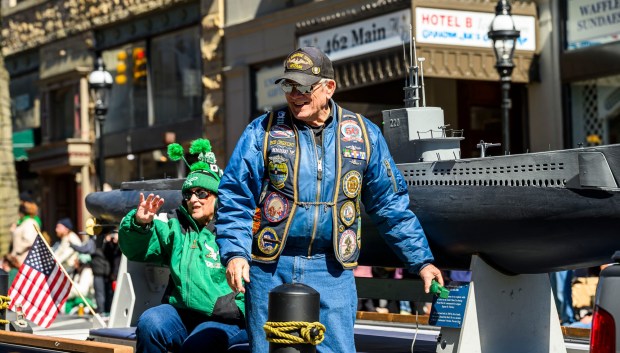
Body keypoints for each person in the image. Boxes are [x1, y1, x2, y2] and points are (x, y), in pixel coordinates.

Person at [215, 46, 444, 353]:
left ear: (329, 87)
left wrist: (422, 261)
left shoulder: (364, 135)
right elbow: (236, 196)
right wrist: (235, 253)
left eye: (304, 87)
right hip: (270, 268)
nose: (295, 95)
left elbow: (390, 205)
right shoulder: (263, 131)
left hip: (332, 271)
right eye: (288, 86)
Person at [118, 138, 247, 353]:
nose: (194, 199)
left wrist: (237, 308)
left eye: (202, 193)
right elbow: (137, 249)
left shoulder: (234, 230)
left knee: (199, 343)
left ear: (217, 197)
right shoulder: (176, 228)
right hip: (183, 314)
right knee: (150, 323)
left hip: (226, 319)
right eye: (188, 193)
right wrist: (140, 224)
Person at [10, 193, 41, 264]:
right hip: (18, 257)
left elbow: (29, 241)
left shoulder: (30, 222)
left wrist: (17, 252)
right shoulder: (23, 222)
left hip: (23, 258)